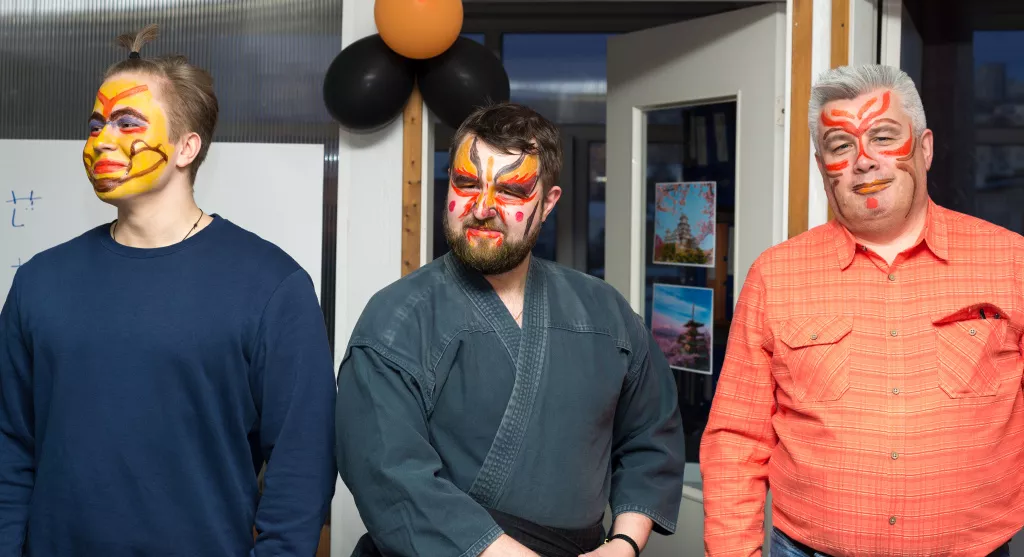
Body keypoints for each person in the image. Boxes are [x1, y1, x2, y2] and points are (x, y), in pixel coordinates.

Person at [0, 25, 337, 556]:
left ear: (186, 147)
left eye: (127, 122)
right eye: (95, 125)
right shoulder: (39, 282)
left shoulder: (273, 287)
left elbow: (302, 466)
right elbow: (9, 446)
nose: (101, 140)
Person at [700, 63, 1024, 557]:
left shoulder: (1011, 262)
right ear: (821, 165)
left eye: (883, 137)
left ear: (925, 148)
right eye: (841, 146)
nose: (864, 161)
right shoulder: (774, 274)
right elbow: (735, 439)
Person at [335, 102, 685, 557]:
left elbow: (652, 434)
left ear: (548, 203)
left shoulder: (604, 312)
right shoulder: (398, 319)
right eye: (466, 184)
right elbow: (388, 474)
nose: (482, 208)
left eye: (511, 191)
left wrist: (622, 544)